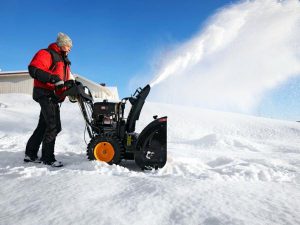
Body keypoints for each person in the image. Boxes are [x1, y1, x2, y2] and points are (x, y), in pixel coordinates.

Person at [24, 32, 74, 167]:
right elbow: (34, 69)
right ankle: (48, 158)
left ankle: (30, 153)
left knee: (44, 125)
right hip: (45, 93)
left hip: (53, 95)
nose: (70, 48)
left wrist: (69, 86)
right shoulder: (47, 53)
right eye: (68, 46)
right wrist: (53, 79)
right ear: (62, 44)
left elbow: (63, 80)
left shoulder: (64, 61)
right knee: (53, 126)